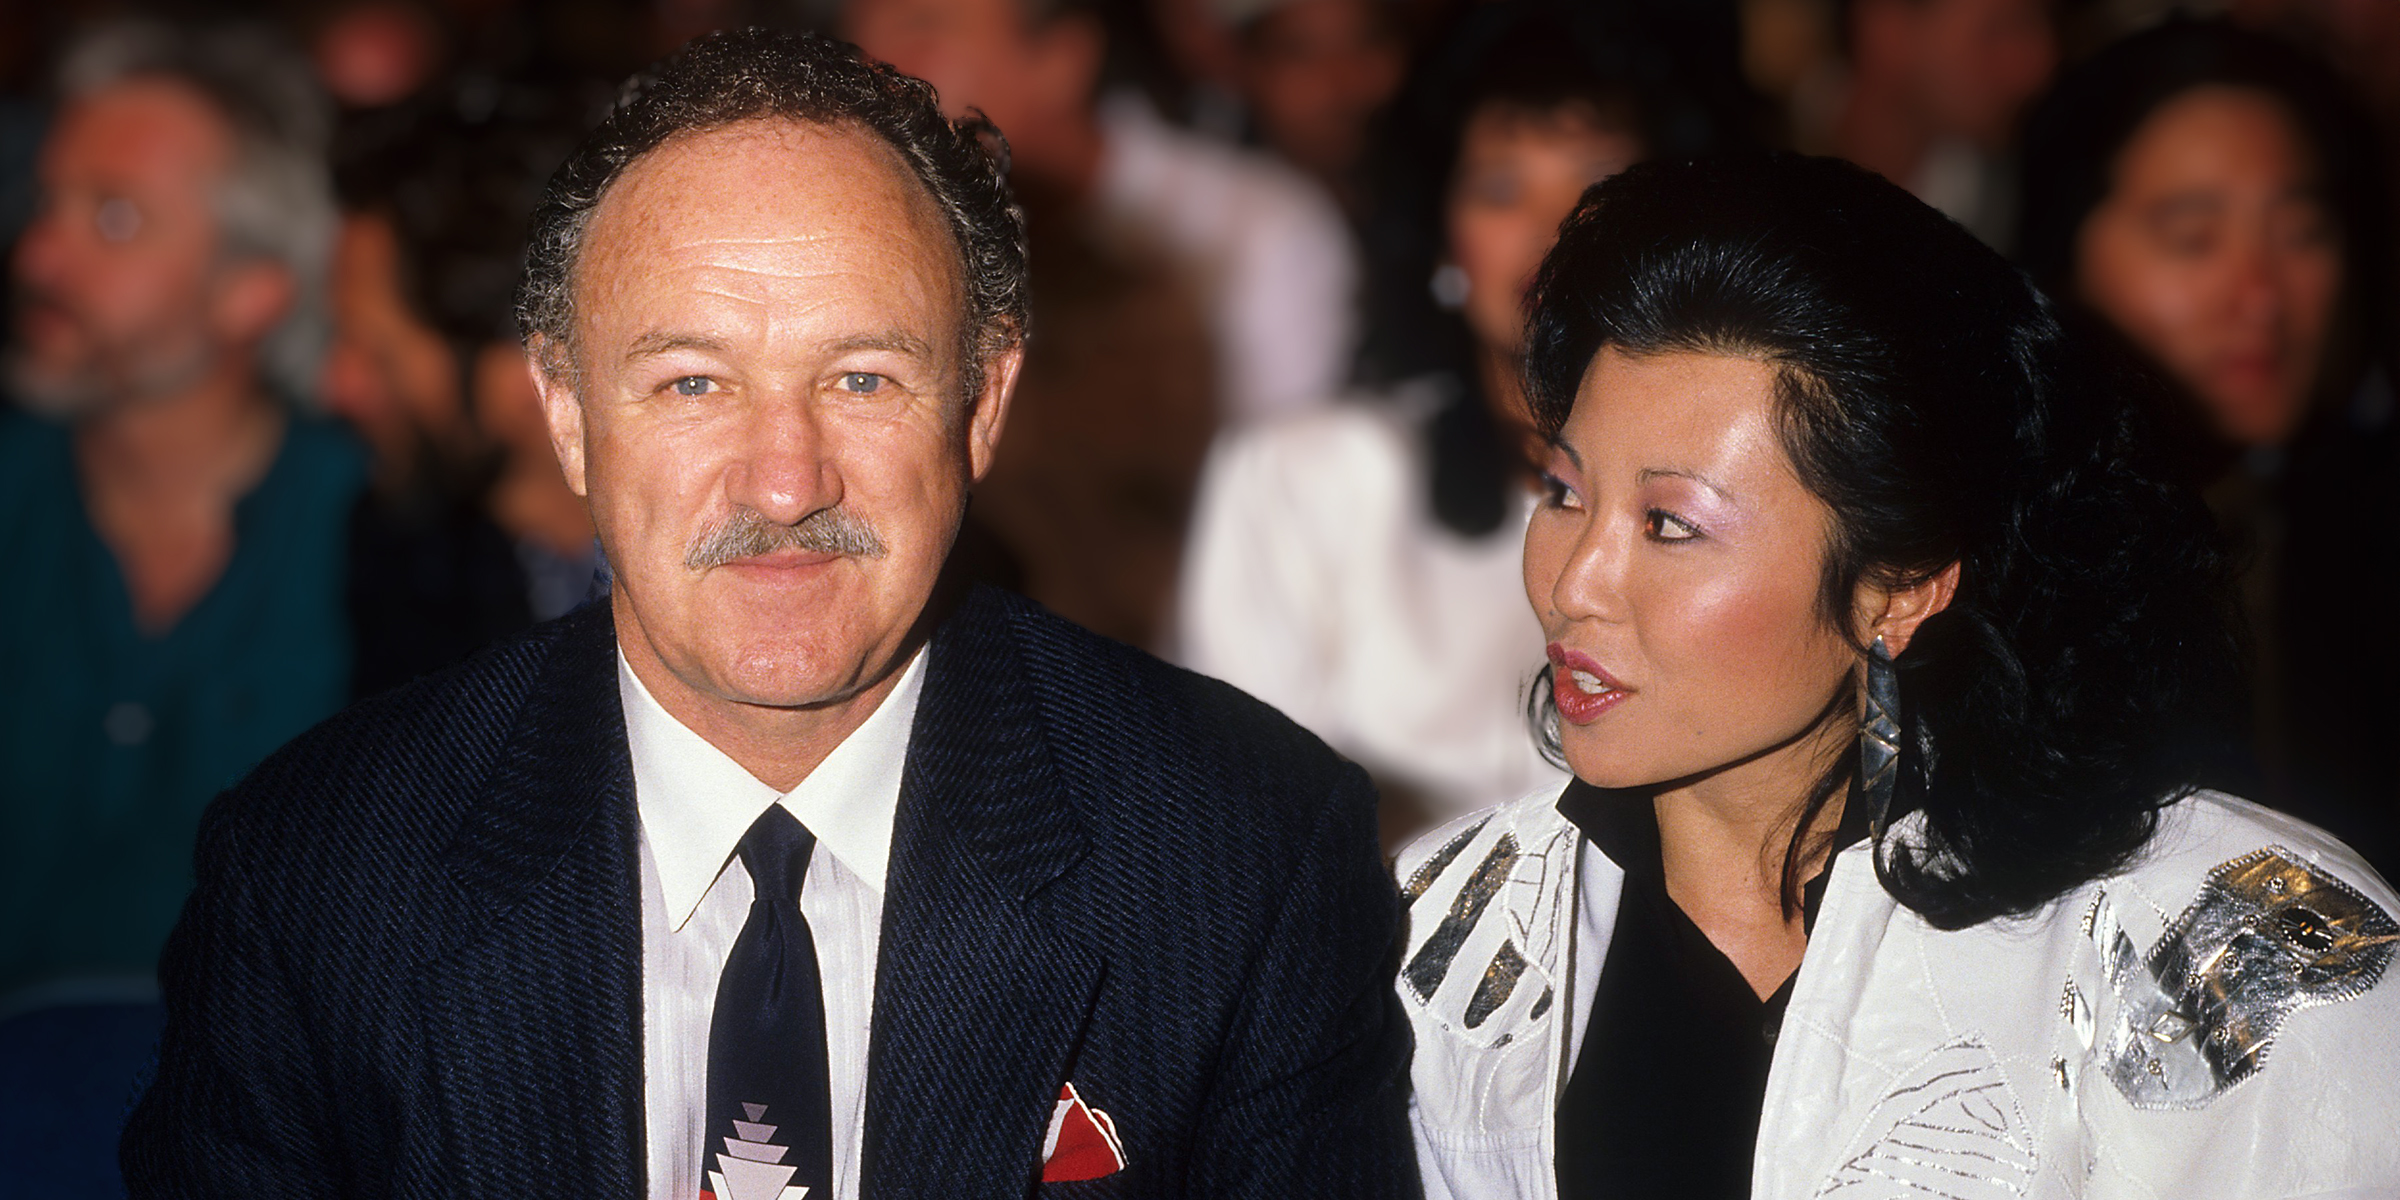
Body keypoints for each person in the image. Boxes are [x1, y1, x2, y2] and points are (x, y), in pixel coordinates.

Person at [121, 29, 1415, 1198]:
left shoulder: (1242, 857)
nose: (786, 480)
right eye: (693, 385)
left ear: (982, 405)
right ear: (568, 416)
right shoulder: (315, 879)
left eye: (861, 377)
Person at [1398, 154, 2400, 1199]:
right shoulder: (1446, 933)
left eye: (1670, 525)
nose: (1574, 581)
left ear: (1902, 586)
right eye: (1564, 490)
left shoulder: (2222, 952)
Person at [1179, 11, 1659, 833]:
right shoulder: (1303, 479)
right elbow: (1228, 815)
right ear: (1441, 244)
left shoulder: (1739, 507)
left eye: (1597, 183)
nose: (1554, 228)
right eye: (1501, 188)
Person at [0, 21, 362, 1006]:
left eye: (112, 219)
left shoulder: (376, 543)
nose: (38, 256)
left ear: (251, 292)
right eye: (47, 205)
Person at [2017, 18, 2398, 875]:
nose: (2261, 296)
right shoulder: (2007, 573)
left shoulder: (2354, 521)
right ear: (2062, 260)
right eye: (2193, 239)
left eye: (2302, 233)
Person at [845, 0, 1357, 428]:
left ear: (1062, 60)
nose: (872, 66)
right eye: (855, 40)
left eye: (922, 28)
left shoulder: (1257, 230)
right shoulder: (866, 234)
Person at [1812, 0, 2056, 247]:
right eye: (1998, 31)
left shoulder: (2020, 205)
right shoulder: (1778, 159)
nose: (2037, 66)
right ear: (1889, 32)